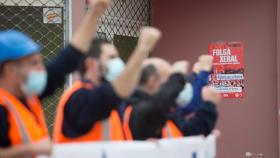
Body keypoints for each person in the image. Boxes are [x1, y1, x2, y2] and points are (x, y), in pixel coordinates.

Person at [0, 0, 110, 157]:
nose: (41, 68)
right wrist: (31, 149)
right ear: (10, 69)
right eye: (33, 63)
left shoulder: (28, 95)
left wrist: (94, 13)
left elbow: (69, 58)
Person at [53, 27, 162, 143]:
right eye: (111, 58)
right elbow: (111, 94)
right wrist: (142, 50)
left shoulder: (110, 98)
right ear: (91, 64)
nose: (118, 62)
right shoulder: (78, 98)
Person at [121, 57, 220, 140]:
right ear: (153, 81)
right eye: (170, 79)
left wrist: (209, 105)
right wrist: (177, 77)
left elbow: (189, 131)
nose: (176, 87)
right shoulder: (139, 111)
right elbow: (158, 106)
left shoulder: (167, 111)